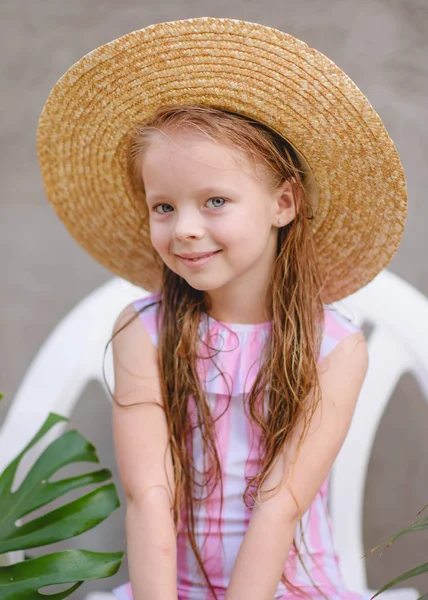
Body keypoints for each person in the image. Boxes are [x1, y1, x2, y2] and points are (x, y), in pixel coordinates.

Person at [37, 17, 407, 600]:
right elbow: (148, 495)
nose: (185, 229)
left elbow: (281, 505)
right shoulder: (144, 331)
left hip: (287, 588)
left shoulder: (335, 347)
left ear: (282, 203)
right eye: (163, 206)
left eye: (215, 201)